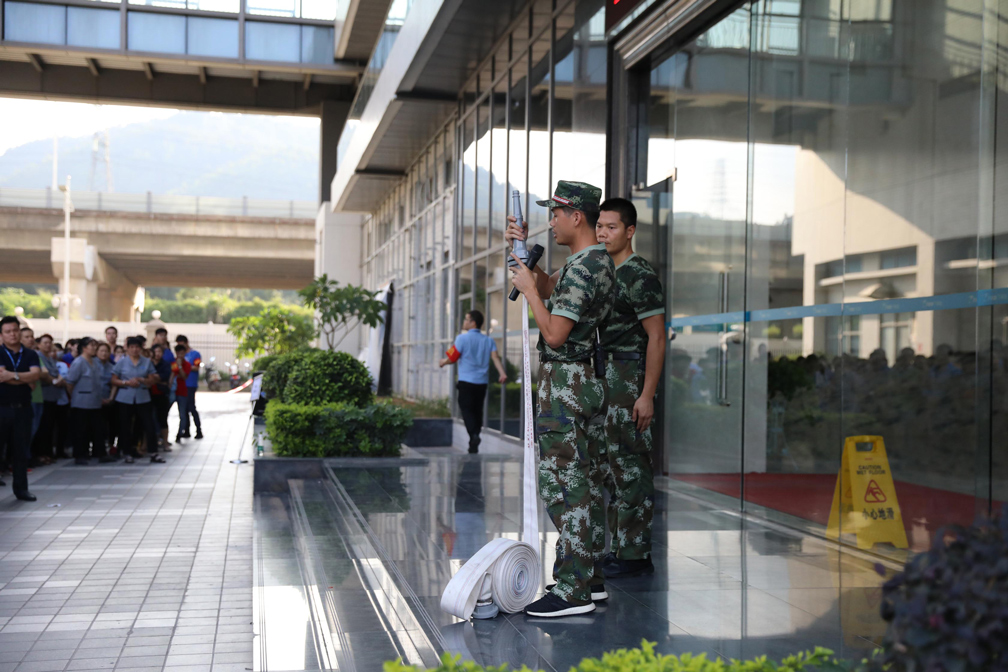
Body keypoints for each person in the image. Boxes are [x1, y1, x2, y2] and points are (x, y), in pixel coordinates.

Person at [506, 181, 614, 617]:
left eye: (556, 213)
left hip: (566, 384)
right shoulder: (589, 263)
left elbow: (554, 332)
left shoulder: (586, 268)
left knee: (565, 488)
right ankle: (590, 577)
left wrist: (529, 292)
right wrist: (527, 262)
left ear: (577, 217)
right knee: (583, 484)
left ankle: (573, 592)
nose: (551, 221)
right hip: (581, 380)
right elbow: (555, 290)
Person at [594, 198, 665, 579]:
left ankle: (635, 555)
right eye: (600, 226)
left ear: (630, 231)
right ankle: (620, 547)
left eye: (611, 227)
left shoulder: (639, 275)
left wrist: (646, 394)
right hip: (606, 376)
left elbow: (657, 338)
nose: (603, 233)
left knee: (631, 464)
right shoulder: (603, 269)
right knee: (611, 466)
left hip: (629, 374)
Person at [439, 309, 508, 454]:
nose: (464, 322)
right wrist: (502, 373)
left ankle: (474, 435)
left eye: (466, 319)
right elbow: (495, 358)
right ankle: (473, 442)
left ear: (473, 323)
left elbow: (453, 357)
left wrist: (443, 362)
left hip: (466, 382)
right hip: (481, 383)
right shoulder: (488, 340)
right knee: (477, 411)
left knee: (466, 410)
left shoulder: (461, 339)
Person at [0, 315, 41, 501]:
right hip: (2, 408)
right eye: (7, 332)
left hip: (23, 409)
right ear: (2, 335)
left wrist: (11, 375)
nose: (12, 335)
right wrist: (22, 377)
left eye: (15, 330)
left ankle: (21, 489)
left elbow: (35, 376)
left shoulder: (31, 354)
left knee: (20, 450)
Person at [110, 336, 163, 464]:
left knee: (149, 425)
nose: (134, 350)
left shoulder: (146, 362)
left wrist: (143, 380)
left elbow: (153, 378)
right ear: (127, 348)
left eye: (137, 347)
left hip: (143, 397)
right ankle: (127, 452)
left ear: (141, 348)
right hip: (125, 397)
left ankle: (153, 452)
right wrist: (126, 382)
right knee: (125, 425)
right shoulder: (122, 362)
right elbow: (113, 379)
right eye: (132, 347)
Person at [64, 337, 109, 465]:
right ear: (84, 348)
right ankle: (80, 454)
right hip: (81, 402)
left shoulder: (94, 362)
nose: (94, 348)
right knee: (80, 429)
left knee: (98, 429)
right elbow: (70, 382)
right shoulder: (79, 362)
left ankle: (99, 453)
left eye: (95, 345)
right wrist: (75, 396)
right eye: (91, 346)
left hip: (95, 402)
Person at [31, 333, 66, 465]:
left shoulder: (51, 358)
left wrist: (57, 380)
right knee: (42, 427)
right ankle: (40, 453)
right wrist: (54, 380)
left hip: (53, 396)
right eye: (45, 342)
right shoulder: (37, 356)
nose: (47, 345)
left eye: (50, 342)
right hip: (43, 395)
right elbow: (45, 376)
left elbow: (55, 374)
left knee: (50, 427)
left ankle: (47, 452)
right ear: (38, 344)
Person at [176, 335, 203, 439]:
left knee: (191, 407)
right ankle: (186, 430)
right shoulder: (179, 356)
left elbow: (196, 367)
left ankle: (199, 430)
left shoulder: (195, 354)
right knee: (184, 409)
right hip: (181, 386)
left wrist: (184, 366)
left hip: (190, 385)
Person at [21, 328, 45, 442]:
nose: (30, 339)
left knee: (33, 429)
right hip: (25, 398)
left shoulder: (34, 355)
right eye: (26, 337)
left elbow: (43, 373)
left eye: (32, 336)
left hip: (37, 396)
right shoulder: (17, 356)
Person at [95, 342, 118, 458]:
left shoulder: (112, 366)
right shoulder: (92, 364)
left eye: (106, 351)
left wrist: (110, 398)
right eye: (101, 351)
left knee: (108, 426)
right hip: (95, 400)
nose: (104, 353)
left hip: (108, 399)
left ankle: (107, 448)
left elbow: (114, 383)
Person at [150, 344, 172, 451]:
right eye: (156, 351)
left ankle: (165, 442)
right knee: (149, 419)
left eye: (160, 352)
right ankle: (149, 443)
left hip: (162, 395)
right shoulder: (148, 363)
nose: (157, 354)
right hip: (149, 395)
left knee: (163, 419)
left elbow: (165, 377)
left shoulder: (165, 364)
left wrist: (153, 378)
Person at [170, 344, 191, 444]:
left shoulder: (187, 364)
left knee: (182, 414)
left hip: (182, 392)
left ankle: (179, 433)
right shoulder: (172, 362)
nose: (180, 355)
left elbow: (184, 376)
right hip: (172, 391)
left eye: (182, 353)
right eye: (178, 353)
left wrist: (179, 366)